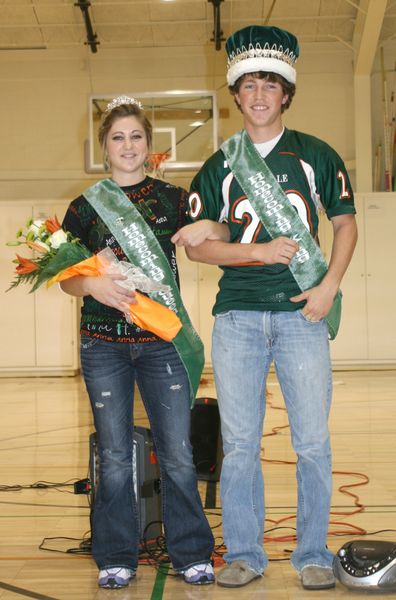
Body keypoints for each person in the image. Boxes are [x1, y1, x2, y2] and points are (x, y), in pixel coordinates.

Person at [172, 26, 358, 590]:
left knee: (311, 443)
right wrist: (243, 246)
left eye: (269, 84)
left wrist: (328, 287)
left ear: (285, 93)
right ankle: (247, 553)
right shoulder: (219, 164)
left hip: (303, 314)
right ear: (235, 92)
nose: (258, 94)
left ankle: (314, 553)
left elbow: (346, 224)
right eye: (248, 83)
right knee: (242, 445)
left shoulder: (317, 154)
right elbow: (202, 246)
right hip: (238, 319)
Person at [60, 96, 226, 589]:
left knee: (176, 451)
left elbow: (216, 230)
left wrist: (209, 225)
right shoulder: (84, 207)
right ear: (104, 148)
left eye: (136, 137)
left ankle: (193, 552)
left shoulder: (175, 200)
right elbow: (65, 276)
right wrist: (91, 285)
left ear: (150, 146)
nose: (127, 145)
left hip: (161, 344)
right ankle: (115, 555)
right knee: (112, 454)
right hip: (102, 345)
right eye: (118, 137)